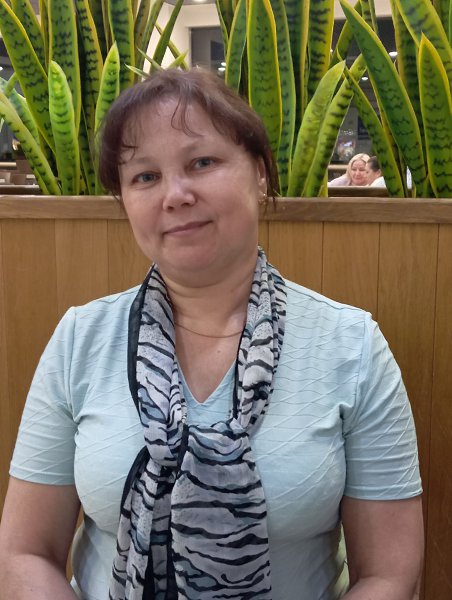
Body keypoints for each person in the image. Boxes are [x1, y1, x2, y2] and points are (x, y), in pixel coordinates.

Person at [0, 69, 424, 600]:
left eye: (202, 162)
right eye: (145, 176)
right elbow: (25, 553)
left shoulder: (351, 345)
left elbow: (389, 573)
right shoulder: (80, 339)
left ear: (260, 175)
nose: (175, 195)